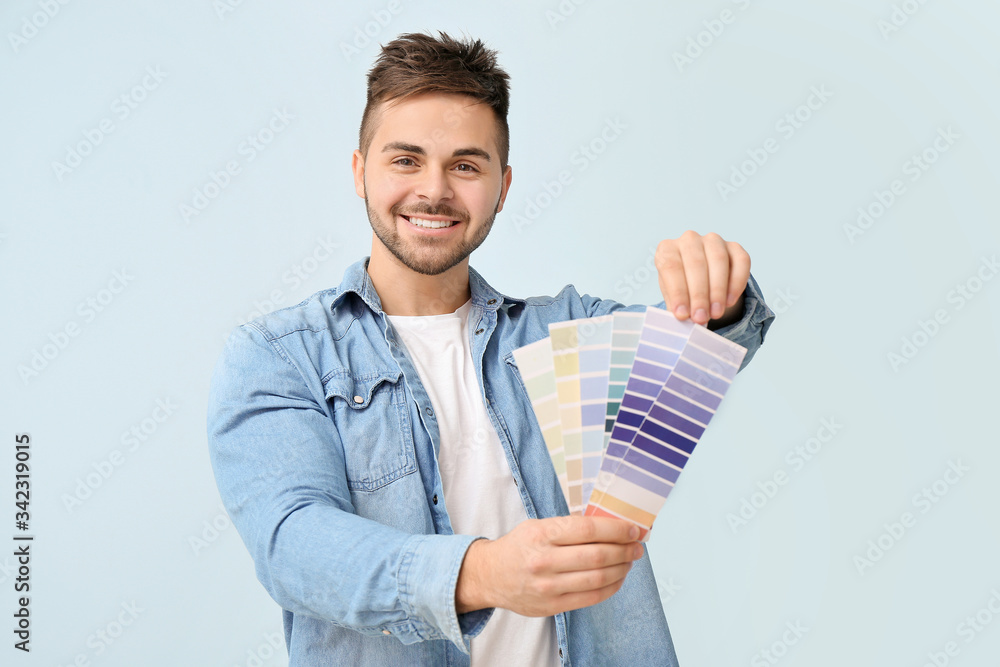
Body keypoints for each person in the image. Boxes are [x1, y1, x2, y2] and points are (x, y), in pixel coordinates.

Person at [207, 31, 775, 666]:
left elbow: (704, 354)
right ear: (359, 173)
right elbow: (295, 548)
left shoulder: (567, 335)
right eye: (405, 160)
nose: (435, 190)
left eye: (466, 165)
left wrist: (715, 297)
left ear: (502, 188)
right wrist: (483, 574)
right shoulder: (282, 357)